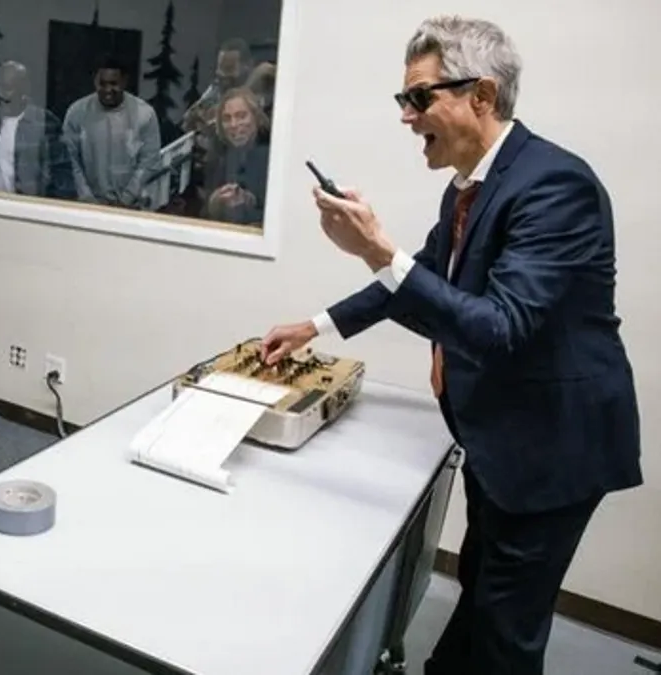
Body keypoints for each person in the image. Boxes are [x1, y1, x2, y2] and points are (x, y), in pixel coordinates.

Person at [259, 16, 641, 675]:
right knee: (482, 580)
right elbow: (420, 278)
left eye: (419, 97)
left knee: (508, 629)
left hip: (553, 449)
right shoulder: (467, 188)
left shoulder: (556, 185)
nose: (406, 116)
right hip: (498, 436)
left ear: (482, 95)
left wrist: (378, 250)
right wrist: (314, 326)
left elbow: (499, 330)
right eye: (403, 99)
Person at [61, 54, 161, 208]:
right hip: (86, 205)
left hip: (131, 207)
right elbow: (70, 160)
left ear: (124, 81)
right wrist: (87, 198)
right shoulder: (77, 112)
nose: (108, 90)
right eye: (102, 84)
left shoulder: (144, 114)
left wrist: (126, 199)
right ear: (95, 81)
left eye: (114, 84)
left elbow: (149, 162)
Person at [0, 61, 75, 199]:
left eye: (7, 88)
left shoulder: (44, 123)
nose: (0, 94)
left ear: (24, 90)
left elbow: (63, 176)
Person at [202, 87, 270, 227]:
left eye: (241, 116)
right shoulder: (220, 158)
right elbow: (205, 213)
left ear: (256, 118)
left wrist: (249, 201)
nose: (234, 124)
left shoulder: (271, 156)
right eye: (227, 119)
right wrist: (217, 202)